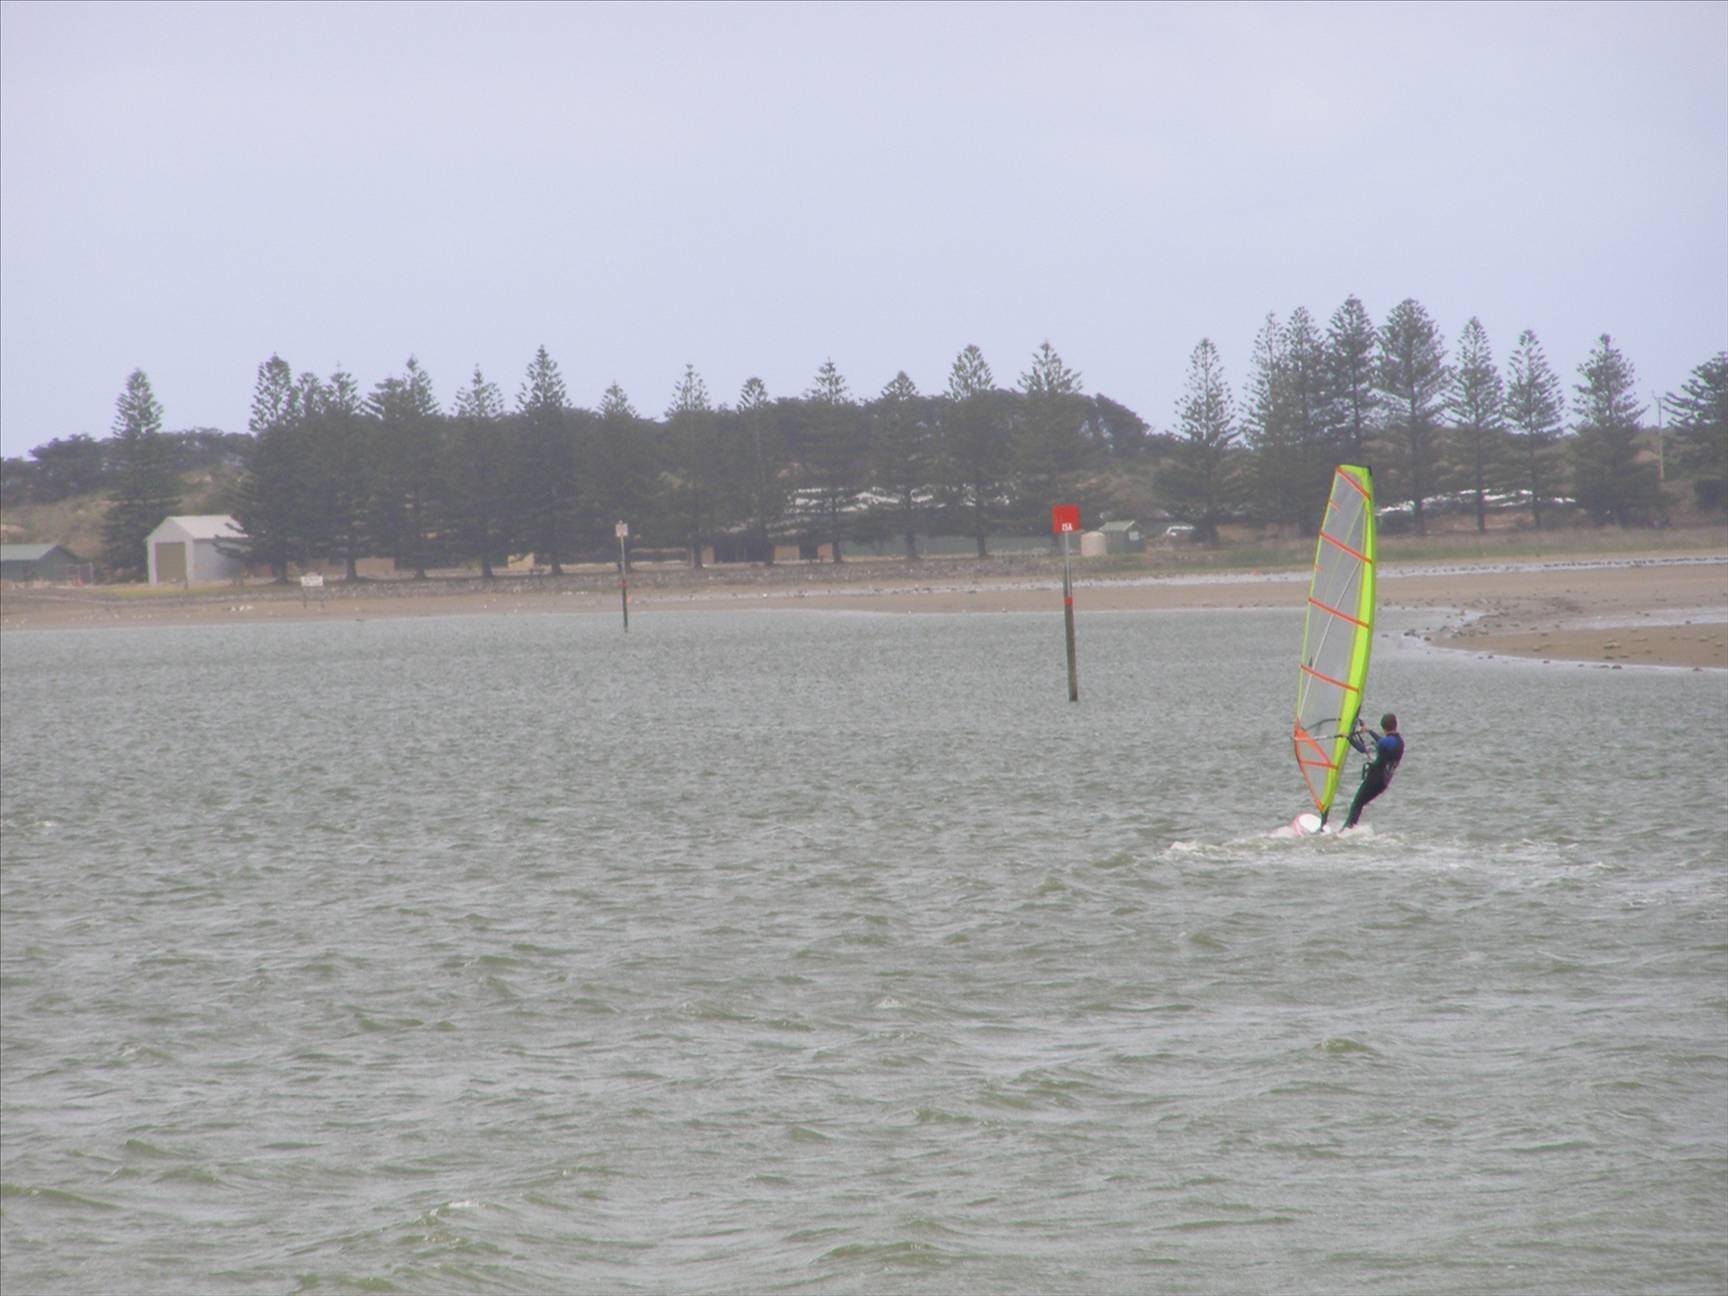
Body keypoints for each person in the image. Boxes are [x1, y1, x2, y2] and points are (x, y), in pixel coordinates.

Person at [1343, 712, 1404, 830]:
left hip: (1375, 779)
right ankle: (1350, 828)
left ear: (1382, 727)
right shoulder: (1399, 741)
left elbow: (1363, 749)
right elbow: (1383, 742)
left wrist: (1348, 737)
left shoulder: (1384, 743)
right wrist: (1369, 731)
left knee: (1357, 804)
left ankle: (1346, 830)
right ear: (1395, 725)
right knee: (1359, 804)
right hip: (1384, 782)